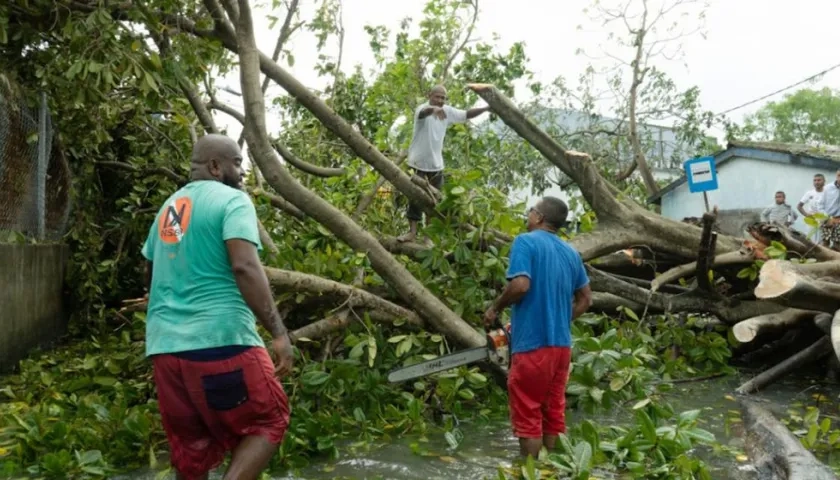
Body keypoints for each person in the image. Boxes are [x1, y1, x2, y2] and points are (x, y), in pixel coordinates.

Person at [141, 134, 294, 480]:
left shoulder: (168, 208)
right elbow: (244, 266)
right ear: (214, 166)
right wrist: (279, 333)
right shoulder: (232, 201)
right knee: (268, 421)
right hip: (223, 342)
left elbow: (149, 273)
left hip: (166, 352)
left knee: (192, 448)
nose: (241, 172)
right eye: (237, 163)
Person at [483, 196, 592, 459]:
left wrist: (494, 308)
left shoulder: (525, 241)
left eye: (531, 211)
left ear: (539, 217)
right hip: (561, 349)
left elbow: (521, 285)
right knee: (553, 413)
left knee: (528, 415)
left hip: (533, 347)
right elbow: (586, 299)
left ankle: (529, 472)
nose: (528, 216)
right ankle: (552, 471)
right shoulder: (570, 253)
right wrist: (558, 320)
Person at [397, 84, 491, 244]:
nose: (440, 100)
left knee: (434, 203)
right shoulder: (422, 109)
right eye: (437, 97)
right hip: (418, 163)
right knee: (415, 200)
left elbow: (466, 114)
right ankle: (412, 233)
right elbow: (423, 113)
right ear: (429, 95)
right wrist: (433, 110)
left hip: (436, 166)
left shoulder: (447, 111)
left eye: (443, 98)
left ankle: (427, 237)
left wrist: (486, 108)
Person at [798, 173, 826, 243]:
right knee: (810, 241)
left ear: (824, 181)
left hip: (824, 222)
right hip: (811, 222)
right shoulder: (809, 193)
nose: (816, 182)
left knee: (822, 242)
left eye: (819, 180)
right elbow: (799, 206)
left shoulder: (827, 193)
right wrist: (806, 214)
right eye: (815, 180)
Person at [821, 170, 840, 249]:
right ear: (836, 176)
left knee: (838, 244)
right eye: (839, 175)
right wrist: (827, 218)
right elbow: (819, 204)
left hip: (839, 220)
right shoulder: (827, 188)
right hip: (827, 219)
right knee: (825, 242)